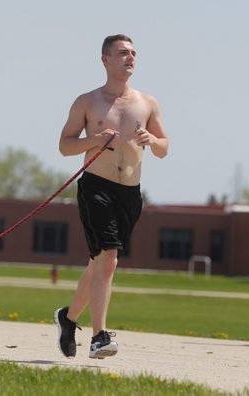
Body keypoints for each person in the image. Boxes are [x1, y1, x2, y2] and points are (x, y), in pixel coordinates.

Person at [54, 34, 169, 360]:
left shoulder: (147, 102)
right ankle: (99, 336)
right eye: (122, 53)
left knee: (99, 265)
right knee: (109, 258)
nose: (130, 57)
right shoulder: (88, 101)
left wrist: (152, 140)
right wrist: (94, 140)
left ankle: (68, 317)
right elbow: (64, 145)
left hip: (131, 194)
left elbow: (164, 148)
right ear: (105, 60)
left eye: (133, 53)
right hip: (96, 187)